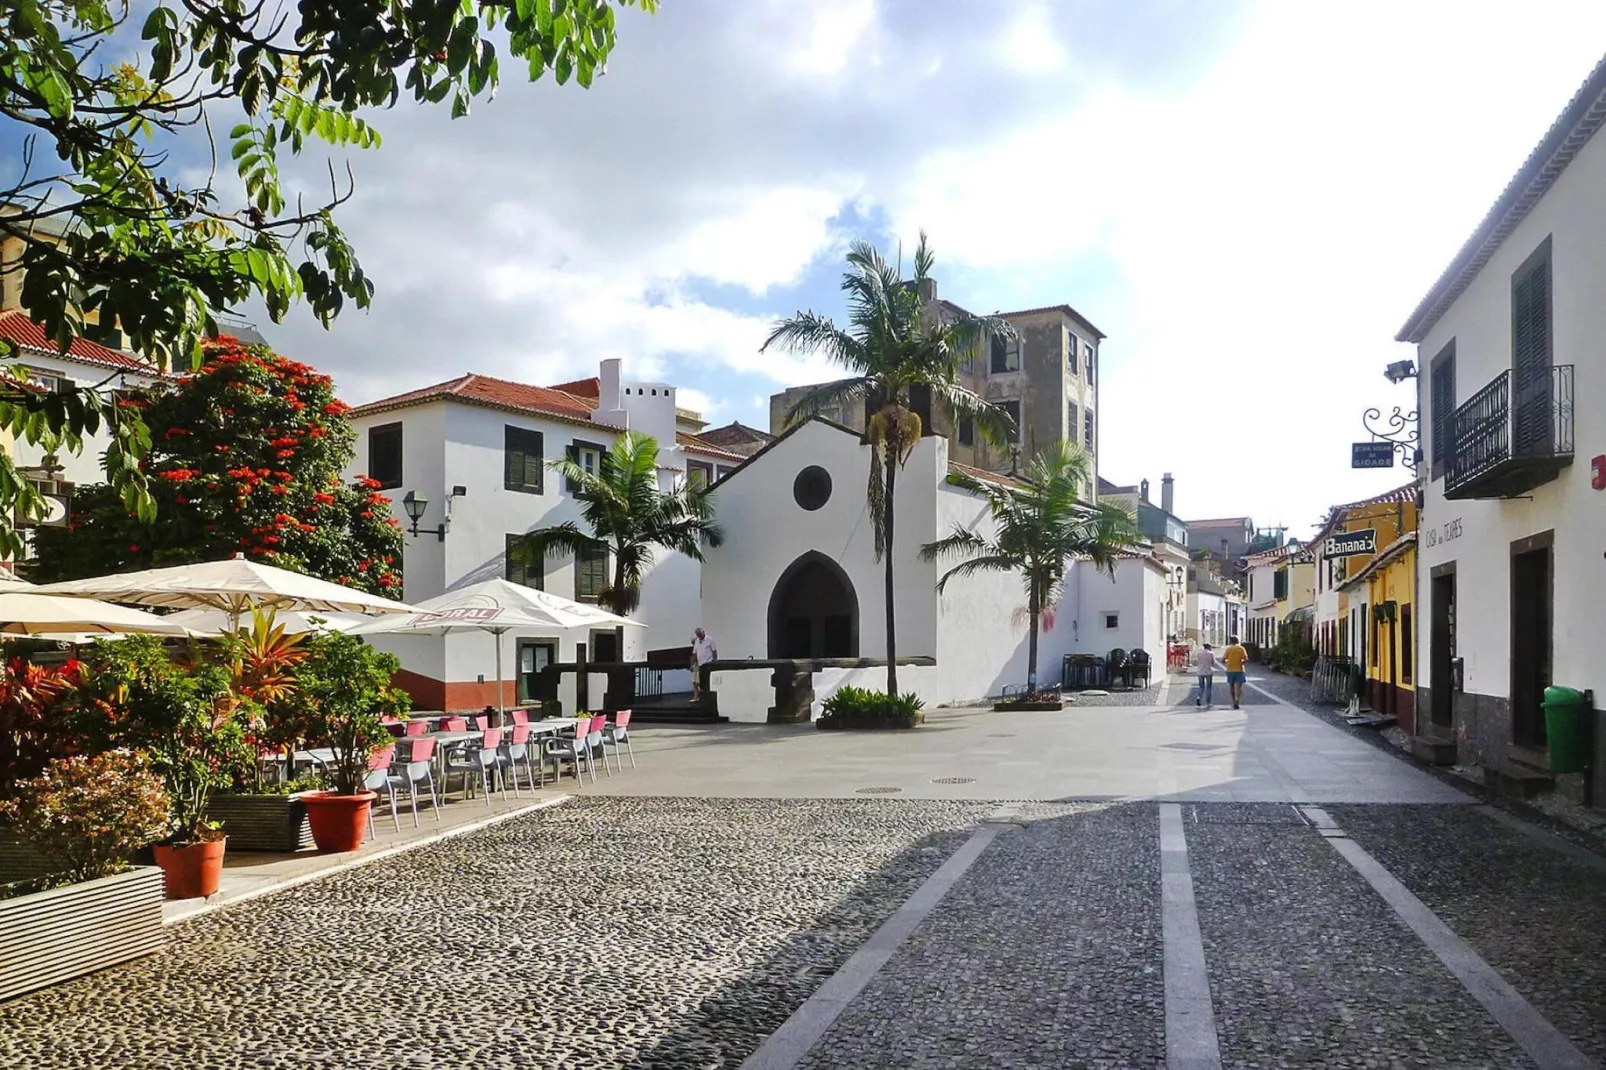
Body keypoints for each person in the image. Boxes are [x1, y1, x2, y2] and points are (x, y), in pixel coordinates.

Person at [1222, 634, 1249, 710]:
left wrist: (1228, 661)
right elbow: (1246, 659)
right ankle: (1237, 701)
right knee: (1238, 687)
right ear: (1238, 641)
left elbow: (1223, 660)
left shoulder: (1228, 649)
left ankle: (1233, 701)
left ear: (1231, 642)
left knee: (1231, 686)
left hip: (1230, 669)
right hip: (1240, 669)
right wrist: (1241, 663)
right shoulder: (1241, 648)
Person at [690, 627, 718, 699]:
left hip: (708, 663)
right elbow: (694, 654)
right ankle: (702, 697)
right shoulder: (697, 641)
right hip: (700, 664)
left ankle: (709, 697)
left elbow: (714, 651)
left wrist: (714, 661)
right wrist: (691, 664)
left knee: (707, 681)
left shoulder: (710, 639)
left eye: (700, 635)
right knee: (700, 682)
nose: (700, 636)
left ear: (703, 633)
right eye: (698, 635)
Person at [1194, 643, 1219, 708]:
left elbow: (1196, 662)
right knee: (1208, 687)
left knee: (1201, 686)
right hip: (1208, 672)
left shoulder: (1199, 654)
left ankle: (1198, 697)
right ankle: (1208, 702)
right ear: (1209, 647)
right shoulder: (1211, 654)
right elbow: (1213, 663)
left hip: (1200, 671)